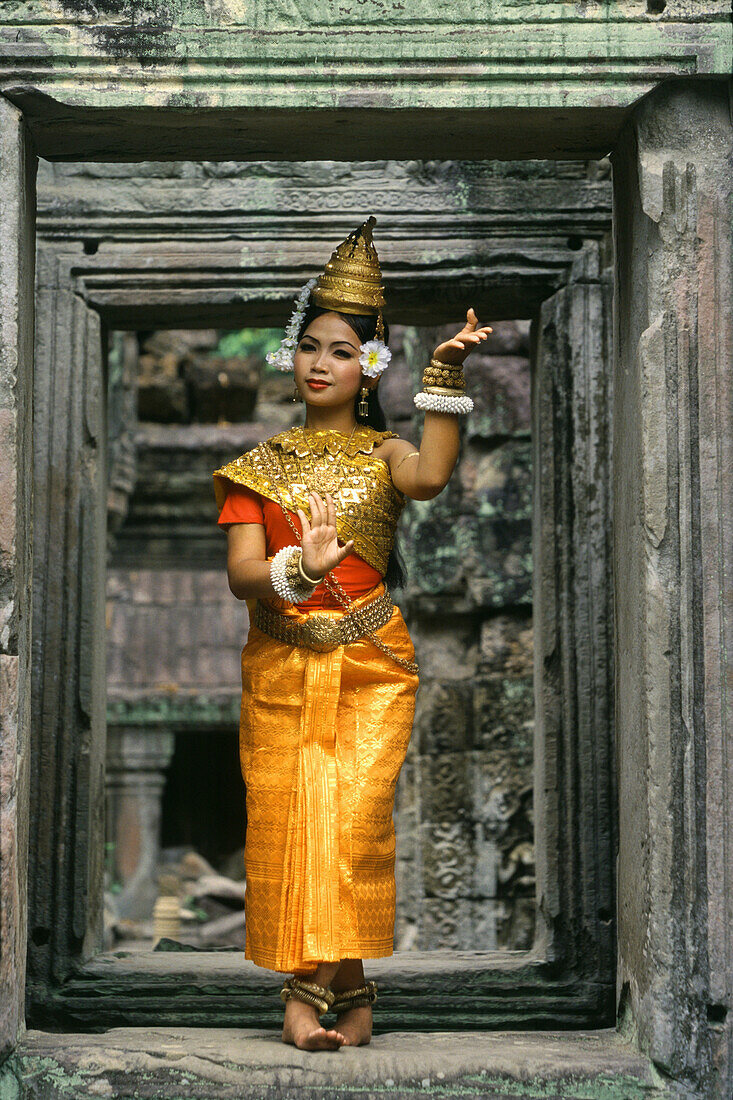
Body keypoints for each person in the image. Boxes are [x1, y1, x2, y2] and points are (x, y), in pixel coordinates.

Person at [212, 217, 491, 1050]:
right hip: (281, 660)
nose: (319, 363)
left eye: (340, 350)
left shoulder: (386, 453)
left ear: (368, 364)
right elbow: (241, 575)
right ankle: (351, 991)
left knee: (355, 820)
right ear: (289, 358)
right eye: (308, 347)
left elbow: (433, 477)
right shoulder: (254, 468)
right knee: (292, 818)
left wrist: (442, 374)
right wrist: (301, 565)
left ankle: (308, 996)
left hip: (372, 657)